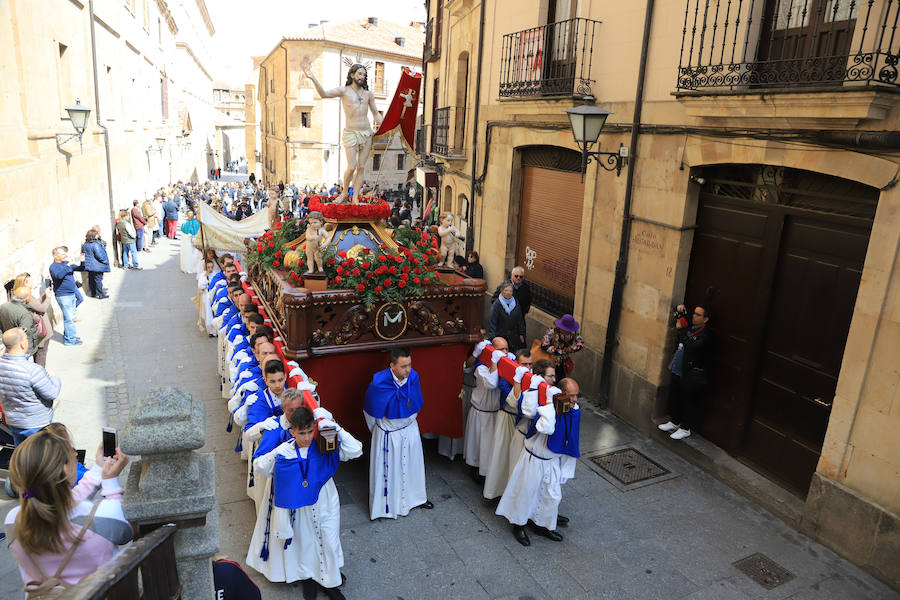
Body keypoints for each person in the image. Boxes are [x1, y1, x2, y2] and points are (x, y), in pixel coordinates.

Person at [246, 406, 361, 599]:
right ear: (292, 432)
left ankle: (330, 583)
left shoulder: (325, 443)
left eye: (310, 432)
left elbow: (355, 450)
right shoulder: (284, 452)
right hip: (300, 506)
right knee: (306, 543)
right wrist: (274, 452)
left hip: (325, 500)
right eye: (302, 433)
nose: (307, 438)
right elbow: (261, 466)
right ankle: (309, 578)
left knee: (329, 541)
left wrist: (336, 428)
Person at [5, 426, 131, 593]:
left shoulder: (13, 521)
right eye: (72, 453)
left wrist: (99, 470)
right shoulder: (102, 516)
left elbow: (60, 502)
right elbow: (127, 532)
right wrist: (111, 483)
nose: (75, 455)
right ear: (66, 469)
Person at [496, 377, 579, 547]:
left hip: (552, 461)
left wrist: (566, 466)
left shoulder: (573, 409)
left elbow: (571, 436)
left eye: (577, 395)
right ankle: (518, 525)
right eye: (570, 396)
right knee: (526, 494)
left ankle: (542, 525)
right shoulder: (543, 406)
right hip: (534, 459)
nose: (575, 400)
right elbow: (544, 427)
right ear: (560, 394)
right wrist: (550, 404)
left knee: (551, 496)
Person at [363, 347, 433, 519]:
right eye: (403, 366)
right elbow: (370, 413)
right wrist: (381, 431)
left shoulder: (413, 377)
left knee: (413, 466)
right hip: (389, 433)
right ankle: (383, 507)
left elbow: (416, 403)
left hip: (410, 429)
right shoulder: (379, 384)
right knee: (388, 473)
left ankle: (416, 499)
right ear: (392, 366)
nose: (408, 370)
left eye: (409, 365)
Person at [304, 63, 382, 203]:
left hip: (366, 132)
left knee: (361, 167)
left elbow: (375, 113)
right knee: (351, 167)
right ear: (352, 75)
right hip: (351, 133)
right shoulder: (344, 91)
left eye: (364, 74)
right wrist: (313, 77)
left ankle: (356, 196)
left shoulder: (368, 94)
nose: (362, 77)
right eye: (359, 73)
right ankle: (345, 192)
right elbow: (324, 94)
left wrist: (383, 124)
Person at [483, 349, 534, 500]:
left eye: (530, 364)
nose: (528, 367)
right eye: (524, 364)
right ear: (516, 364)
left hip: (521, 425)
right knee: (502, 455)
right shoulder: (506, 377)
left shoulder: (532, 378)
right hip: (507, 419)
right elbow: (511, 399)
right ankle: (496, 491)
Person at [658, 304, 712, 440]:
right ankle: (675, 421)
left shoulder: (705, 334)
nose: (694, 316)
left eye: (698, 314)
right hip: (679, 366)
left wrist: (681, 331)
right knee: (676, 394)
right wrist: (680, 309)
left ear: (705, 319)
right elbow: (680, 313)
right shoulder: (691, 326)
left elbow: (691, 345)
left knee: (689, 399)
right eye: (694, 313)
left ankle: (685, 428)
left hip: (693, 371)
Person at [0, 327, 61, 446]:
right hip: (36, 423)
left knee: (21, 454)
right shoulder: (33, 371)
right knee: (39, 456)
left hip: (13, 421)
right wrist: (54, 378)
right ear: (22, 345)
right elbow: (52, 392)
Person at [464, 337, 509, 483]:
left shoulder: (504, 367)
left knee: (489, 447)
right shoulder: (481, 368)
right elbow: (491, 383)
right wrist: (494, 362)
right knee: (479, 445)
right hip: (481, 413)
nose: (504, 353)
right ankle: (475, 470)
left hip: (494, 413)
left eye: (506, 349)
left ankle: (487, 472)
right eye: (500, 349)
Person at [11, 274, 55, 367]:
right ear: (25, 283)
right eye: (30, 281)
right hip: (41, 332)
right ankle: (40, 377)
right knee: (41, 356)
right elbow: (42, 308)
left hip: (35, 332)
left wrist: (44, 295)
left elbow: (36, 304)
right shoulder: (27, 296)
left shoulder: (20, 295)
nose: (33, 282)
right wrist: (48, 297)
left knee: (38, 355)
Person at [49, 246, 85, 346]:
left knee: (70, 317)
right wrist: (68, 265)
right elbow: (59, 275)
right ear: (55, 256)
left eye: (65, 253)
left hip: (71, 293)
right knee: (69, 319)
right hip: (63, 295)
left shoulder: (66, 263)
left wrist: (82, 261)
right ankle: (70, 340)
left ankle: (69, 336)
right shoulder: (54, 266)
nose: (66, 255)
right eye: (63, 254)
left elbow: (81, 268)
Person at [534, 314, 584, 381]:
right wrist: (559, 351)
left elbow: (580, 343)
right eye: (566, 330)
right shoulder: (552, 331)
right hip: (550, 361)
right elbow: (544, 346)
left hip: (562, 363)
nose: (567, 331)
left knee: (560, 380)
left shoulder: (573, 332)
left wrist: (570, 349)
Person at [1, 287, 40, 361]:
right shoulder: (24, 314)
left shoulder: (3, 306)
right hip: (22, 352)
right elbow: (23, 334)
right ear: (27, 298)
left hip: (9, 347)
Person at [488, 281, 526, 352]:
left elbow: (520, 320)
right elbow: (492, 322)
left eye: (510, 291)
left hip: (513, 337)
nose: (508, 293)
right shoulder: (497, 304)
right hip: (500, 336)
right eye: (506, 290)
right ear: (502, 291)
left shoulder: (516, 303)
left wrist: (522, 333)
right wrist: (493, 338)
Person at [82, 230, 110, 298]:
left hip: (89, 265)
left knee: (91, 280)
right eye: (97, 234)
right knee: (98, 280)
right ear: (94, 235)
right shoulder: (95, 245)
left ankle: (93, 293)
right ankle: (101, 294)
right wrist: (105, 261)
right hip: (97, 266)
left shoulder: (85, 244)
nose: (98, 235)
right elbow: (100, 256)